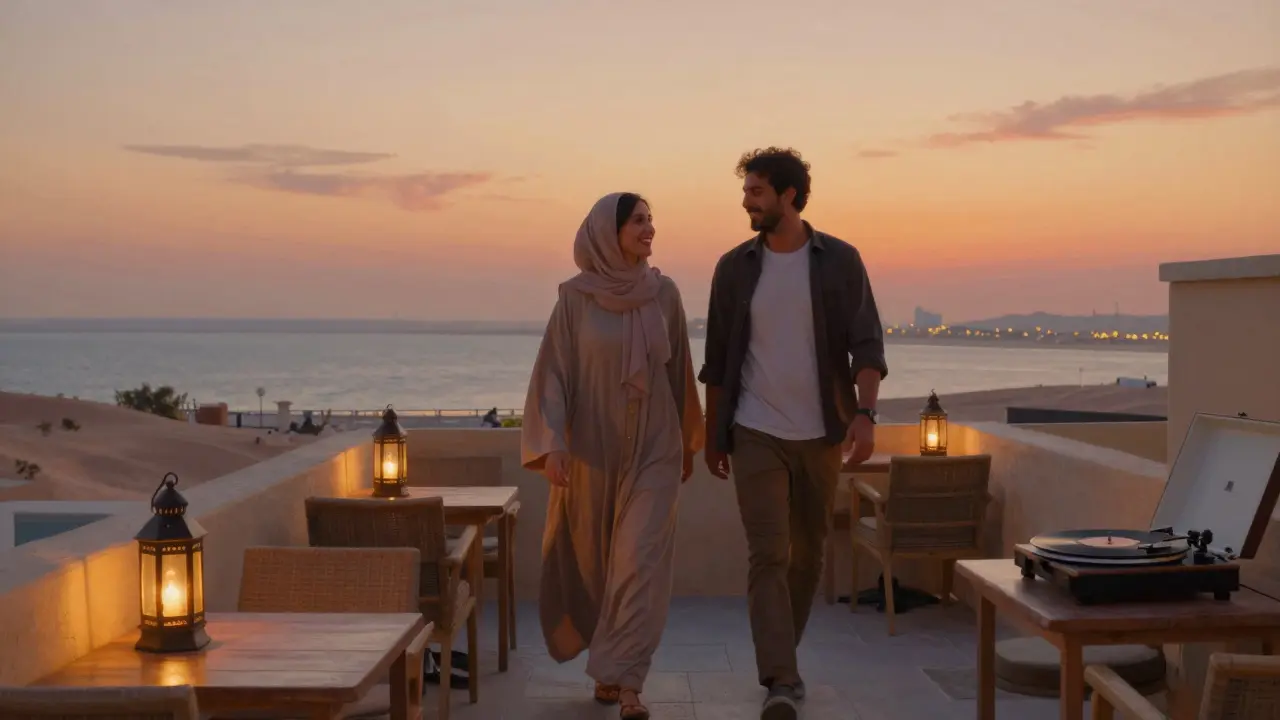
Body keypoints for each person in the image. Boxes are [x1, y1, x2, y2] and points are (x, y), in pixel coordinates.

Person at [699, 148, 888, 720]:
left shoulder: (840, 261)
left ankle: (785, 656)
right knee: (767, 555)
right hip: (754, 429)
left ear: (788, 196)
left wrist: (865, 414)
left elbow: (868, 344)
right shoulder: (734, 268)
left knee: (808, 557)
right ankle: (780, 677)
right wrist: (713, 436)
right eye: (746, 191)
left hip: (822, 432)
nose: (746, 202)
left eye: (756, 192)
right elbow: (715, 360)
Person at [522, 192, 705, 720]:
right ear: (609, 232)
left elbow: (678, 374)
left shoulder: (664, 294)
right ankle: (609, 668)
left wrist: (689, 441)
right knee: (598, 562)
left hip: (656, 445)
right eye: (639, 221)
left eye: (652, 220)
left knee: (638, 562)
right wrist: (553, 441)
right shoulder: (575, 300)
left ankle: (629, 683)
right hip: (593, 449)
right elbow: (553, 375)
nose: (650, 229)